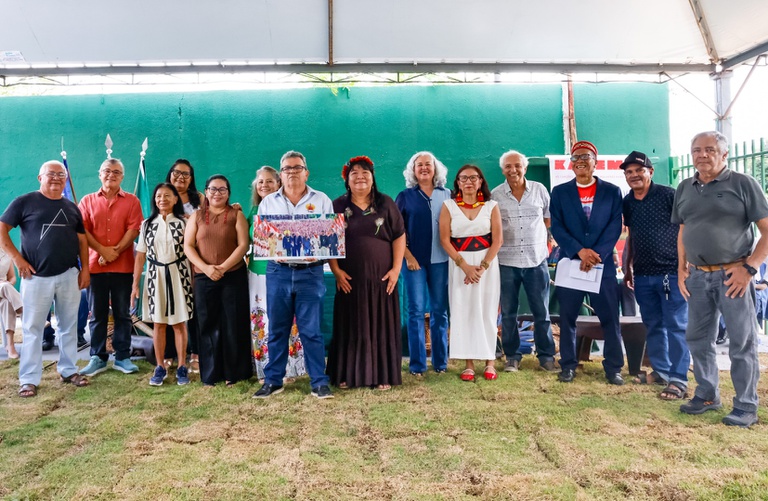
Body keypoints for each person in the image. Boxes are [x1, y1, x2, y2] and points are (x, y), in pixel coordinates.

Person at [673, 131, 768, 428]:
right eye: (697, 150)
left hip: (733, 276)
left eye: (710, 149)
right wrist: (681, 268)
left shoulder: (742, 184)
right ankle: (707, 393)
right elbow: (683, 229)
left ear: (723, 154)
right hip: (698, 277)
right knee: (698, 339)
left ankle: (746, 405)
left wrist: (749, 268)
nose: (702, 155)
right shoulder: (685, 187)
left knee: (742, 343)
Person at [0, 160, 90, 397]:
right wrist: (18, 260)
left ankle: (69, 370)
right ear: (40, 177)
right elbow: (2, 229)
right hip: (36, 277)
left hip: (69, 275)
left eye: (62, 174)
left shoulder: (71, 207)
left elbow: (82, 240)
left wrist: (85, 270)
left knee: (69, 326)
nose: (57, 178)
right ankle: (29, 379)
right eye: (51, 174)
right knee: (32, 328)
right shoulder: (24, 202)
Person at [253, 151, 334, 399]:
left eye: (297, 168)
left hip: (310, 272)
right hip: (278, 271)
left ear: (306, 171)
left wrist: (319, 253)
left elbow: (329, 236)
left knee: (311, 330)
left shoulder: (321, 200)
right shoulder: (268, 202)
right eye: (286, 169)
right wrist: (270, 251)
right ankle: (273, 380)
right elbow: (263, 239)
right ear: (281, 174)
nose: (292, 172)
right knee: (277, 329)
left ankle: (319, 382)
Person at [327, 156, 406, 390]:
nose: (360, 177)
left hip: (382, 279)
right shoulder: (337, 206)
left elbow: (399, 235)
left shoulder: (386, 203)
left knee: (381, 325)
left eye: (365, 173)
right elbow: (328, 241)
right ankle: (345, 374)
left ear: (373, 178)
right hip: (349, 279)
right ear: (347, 180)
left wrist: (396, 270)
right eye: (354, 174)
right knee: (350, 323)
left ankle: (382, 374)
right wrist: (336, 271)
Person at [550, 140, 624, 385]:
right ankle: (568, 366)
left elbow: (615, 227)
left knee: (610, 318)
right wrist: (580, 252)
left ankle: (613, 367)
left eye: (585, 157)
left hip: (602, 267)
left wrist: (595, 255)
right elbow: (557, 228)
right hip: (571, 263)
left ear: (595, 162)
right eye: (575, 158)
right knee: (568, 317)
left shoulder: (612, 192)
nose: (580, 161)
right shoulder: (560, 193)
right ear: (570, 165)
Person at [621, 151, 690, 399]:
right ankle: (661, 371)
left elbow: (686, 228)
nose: (634, 175)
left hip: (671, 273)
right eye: (629, 172)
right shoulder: (628, 202)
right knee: (653, 325)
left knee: (676, 326)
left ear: (650, 171)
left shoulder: (668, 195)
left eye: (639, 170)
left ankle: (679, 379)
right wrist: (628, 266)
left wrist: (685, 265)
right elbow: (631, 234)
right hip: (642, 274)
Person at [491, 150, 557, 372]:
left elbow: (547, 219)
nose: (513, 170)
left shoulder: (539, 190)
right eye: (508, 166)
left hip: (536, 260)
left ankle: (546, 357)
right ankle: (512, 357)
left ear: (525, 168)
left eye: (517, 165)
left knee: (542, 312)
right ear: (502, 170)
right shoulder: (495, 195)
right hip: (506, 260)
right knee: (509, 312)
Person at [184, 174, 252, 387]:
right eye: (213, 189)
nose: (217, 193)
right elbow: (188, 246)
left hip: (233, 276)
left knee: (233, 324)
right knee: (207, 324)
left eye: (222, 189)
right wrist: (206, 268)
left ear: (228, 193)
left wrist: (223, 267)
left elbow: (243, 246)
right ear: (206, 192)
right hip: (204, 278)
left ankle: (235, 372)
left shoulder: (236, 215)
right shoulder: (196, 216)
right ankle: (211, 374)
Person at [78, 159, 143, 376]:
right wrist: (102, 251)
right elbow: (83, 231)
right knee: (96, 314)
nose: (111, 175)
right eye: (107, 171)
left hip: (123, 267)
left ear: (122, 177)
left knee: (123, 314)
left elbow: (134, 229)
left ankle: (122, 357)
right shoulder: (87, 201)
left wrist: (114, 252)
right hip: (95, 268)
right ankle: (98, 357)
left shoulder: (132, 201)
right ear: (100, 174)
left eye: (116, 172)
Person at [439, 164, 503, 382]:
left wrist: (482, 267)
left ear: (480, 182)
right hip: (459, 264)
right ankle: (468, 363)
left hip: (487, 265)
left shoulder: (491, 206)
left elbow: (498, 240)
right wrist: (465, 266)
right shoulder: (448, 206)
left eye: (473, 178)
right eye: (463, 178)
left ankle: (489, 361)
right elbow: (445, 240)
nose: (468, 181)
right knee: (463, 310)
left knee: (487, 309)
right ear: (457, 182)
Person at [247, 166, 306, 381]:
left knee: (286, 319)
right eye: (260, 181)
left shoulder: (289, 209)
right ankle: (265, 369)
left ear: (278, 183)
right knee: (262, 320)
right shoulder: (253, 211)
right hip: (258, 272)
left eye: (270, 181)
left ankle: (291, 368)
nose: (264, 185)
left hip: (283, 272)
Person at [395, 151, 452, 376]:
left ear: (436, 168)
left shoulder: (448, 194)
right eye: (419, 165)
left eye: (428, 164)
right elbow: (396, 231)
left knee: (440, 311)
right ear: (413, 170)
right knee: (416, 311)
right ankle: (417, 365)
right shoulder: (405, 196)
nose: (424, 168)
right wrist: (408, 257)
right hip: (413, 263)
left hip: (442, 261)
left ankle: (441, 363)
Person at [132, 183, 195, 385]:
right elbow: (140, 256)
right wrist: (135, 284)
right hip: (154, 276)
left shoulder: (185, 223)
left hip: (179, 275)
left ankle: (182, 365)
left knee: (178, 323)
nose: (163, 199)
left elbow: (191, 251)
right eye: (159, 196)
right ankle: (160, 367)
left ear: (176, 199)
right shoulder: (147, 224)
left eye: (167, 195)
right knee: (158, 323)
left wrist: (193, 280)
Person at [164, 159, 203, 373]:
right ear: (170, 174)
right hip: (168, 259)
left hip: (194, 260)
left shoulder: (200, 199)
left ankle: (196, 353)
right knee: (171, 306)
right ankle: (170, 352)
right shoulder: (163, 195)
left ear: (191, 178)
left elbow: (209, 224)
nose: (181, 177)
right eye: (177, 172)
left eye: (186, 174)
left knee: (195, 307)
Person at [0, 247, 22, 359]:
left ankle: (10, 345)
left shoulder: (5, 253)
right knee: (4, 286)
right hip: (2, 287)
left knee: (7, 303)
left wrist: (8, 284)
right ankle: (25, 312)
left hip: (3, 291)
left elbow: (12, 277)